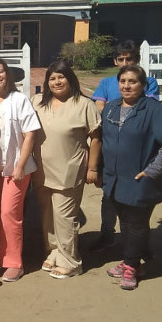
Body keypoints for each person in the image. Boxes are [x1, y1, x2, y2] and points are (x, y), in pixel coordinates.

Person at [101, 65, 162, 290]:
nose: (126, 86)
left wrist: (152, 170)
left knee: (136, 223)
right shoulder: (111, 108)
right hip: (115, 178)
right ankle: (130, 260)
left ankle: (133, 266)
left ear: (143, 85)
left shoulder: (153, 110)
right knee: (124, 221)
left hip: (140, 179)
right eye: (123, 81)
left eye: (132, 81)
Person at [31, 59, 101, 280]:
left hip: (69, 168)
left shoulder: (84, 104)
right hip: (41, 169)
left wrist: (92, 168)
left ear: (70, 79)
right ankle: (53, 250)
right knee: (47, 214)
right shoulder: (38, 101)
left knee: (65, 216)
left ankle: (71, 261)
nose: (57, 81)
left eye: (61, 77)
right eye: (52, 78)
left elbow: (96, 138)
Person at [90, 40, 160, 252]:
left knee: (136, 198)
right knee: (108, 193)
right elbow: (99, 105)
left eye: (129, 59)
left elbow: (146, 106)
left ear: (136, 60)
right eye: (120, 59)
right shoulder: (107, 83)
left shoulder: (148, 82)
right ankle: (107, 233)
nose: (124, 62)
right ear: (115, 61)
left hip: (137, 146)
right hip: (111, 142)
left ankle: (138, 242)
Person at [0, 58, 40, 283]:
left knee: (9, 214)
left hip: (16, 169)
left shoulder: (20, 100)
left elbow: (30, 133)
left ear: (7, 74)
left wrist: (21, 165)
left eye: (0, 72)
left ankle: (15, 263)